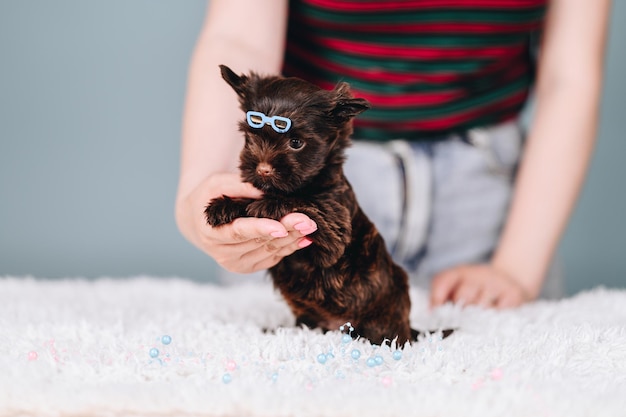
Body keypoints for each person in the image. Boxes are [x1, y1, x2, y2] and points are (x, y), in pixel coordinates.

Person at [175, 0, 610, 309]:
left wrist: (516, 267)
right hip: (305, 184)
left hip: (493, 207)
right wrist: (206, 189)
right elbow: (239, 40)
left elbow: (568, 79)